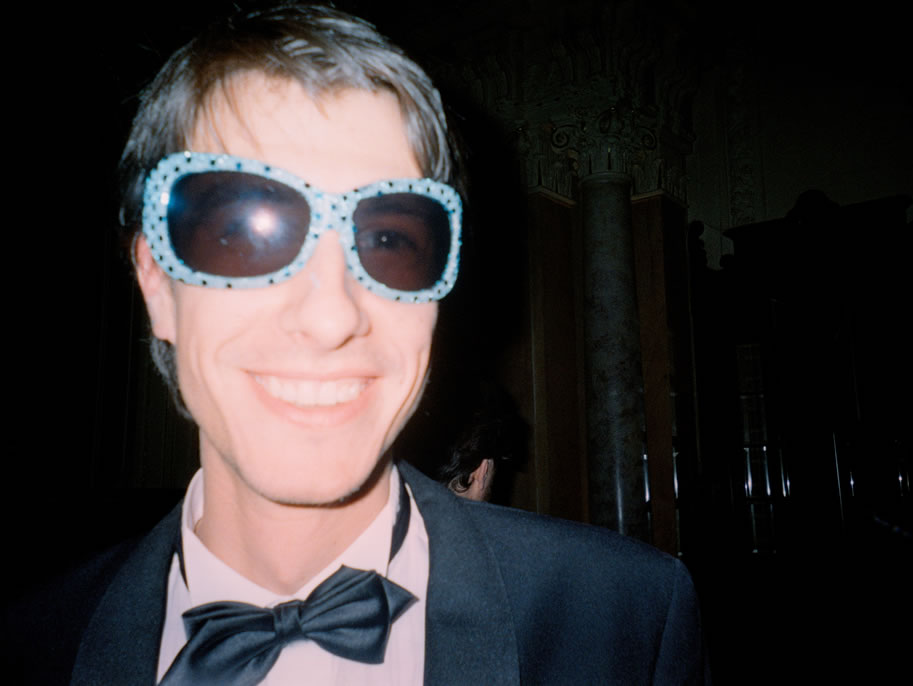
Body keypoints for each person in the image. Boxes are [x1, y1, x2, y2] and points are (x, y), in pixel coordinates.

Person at [5, 4, 706, 684]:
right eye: (245, 232)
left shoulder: (627, 619)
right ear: (157, 283)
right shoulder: (28, 647)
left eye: (388, 239)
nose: (330, 316)